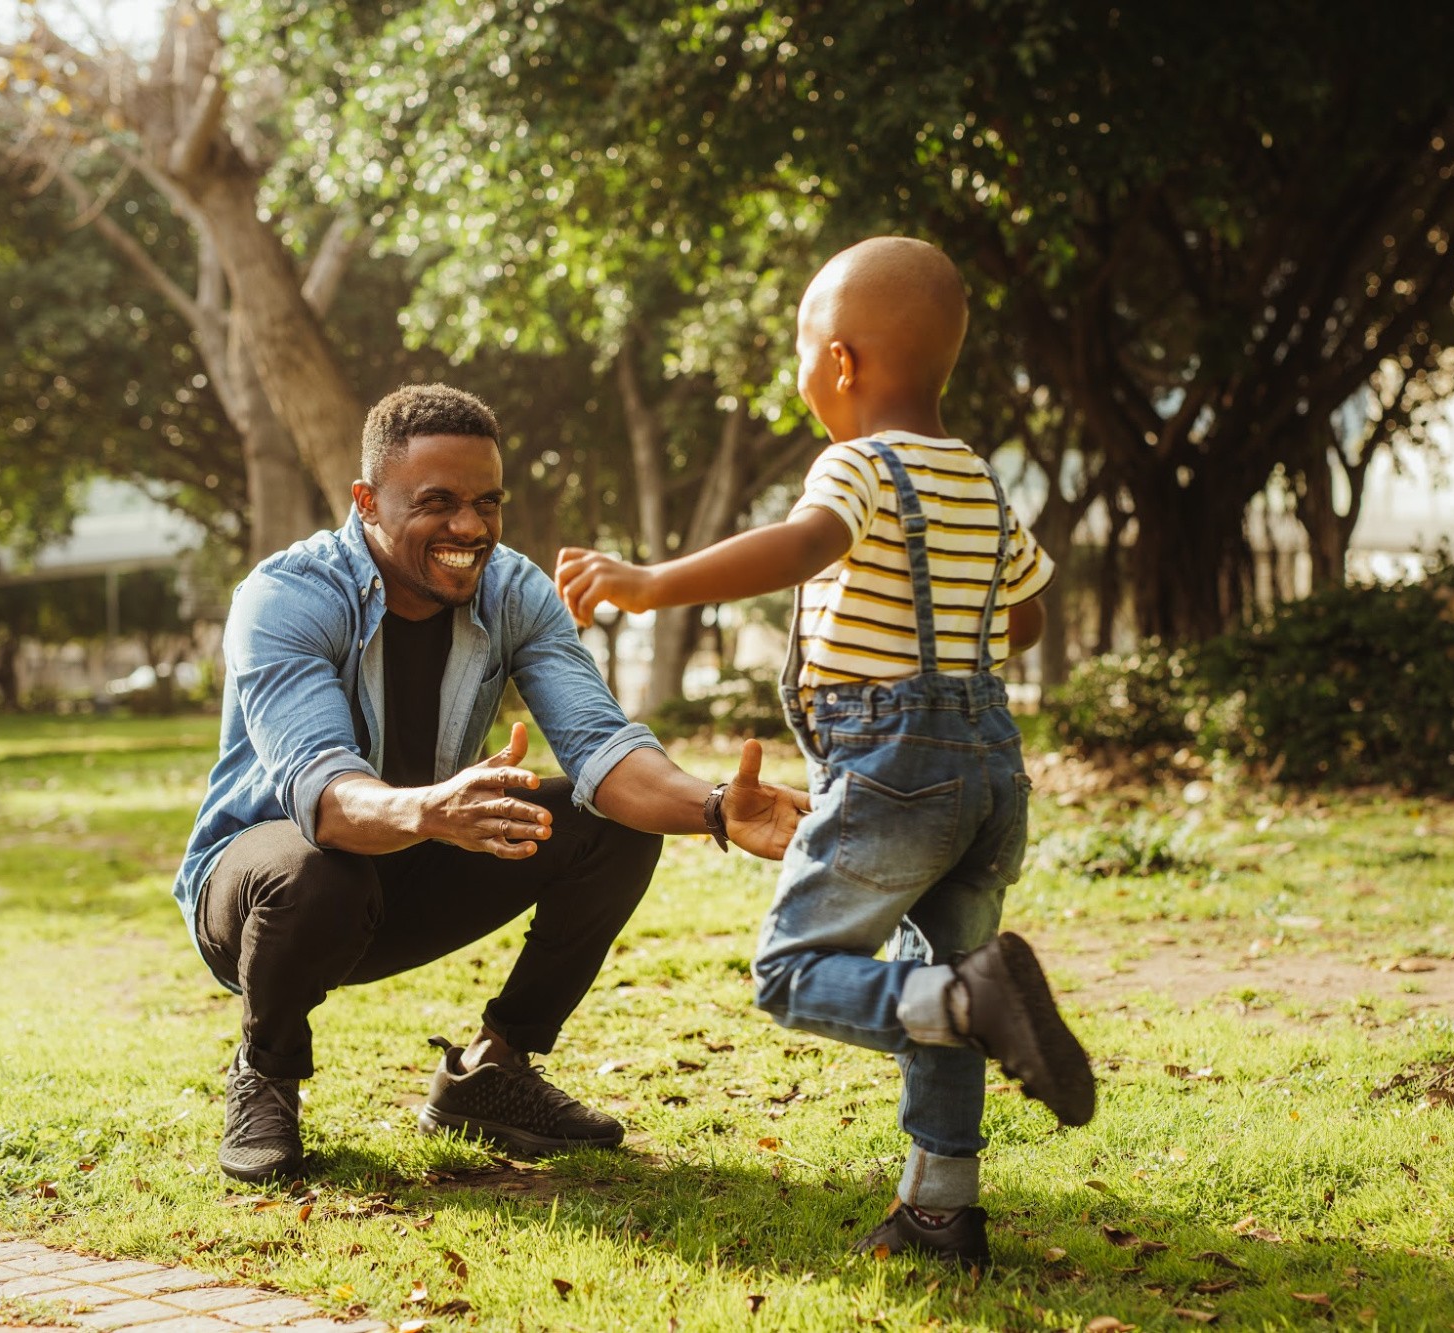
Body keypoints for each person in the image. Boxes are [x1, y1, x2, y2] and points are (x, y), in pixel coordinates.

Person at [554, 236, 1095, 1268]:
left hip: (895, 764)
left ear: (839, 361)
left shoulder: (855, 463)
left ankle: (972, 1006)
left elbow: (804, 544)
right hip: (989, 768)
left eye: (801, 351)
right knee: (943, 964)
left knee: (794, 972)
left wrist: (649, 580)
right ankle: (940, 1210)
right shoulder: (977, 479)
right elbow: (1021, 622)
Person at [174, 383, 808, 1184]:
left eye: (487, 502)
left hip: (412, 864)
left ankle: (493, 1072)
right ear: (367, 501)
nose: (469, 527)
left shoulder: (512, 591)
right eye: (437, 502)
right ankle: (266, 1075)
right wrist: (428, 808)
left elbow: (601, 747)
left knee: (610, 823)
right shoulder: (288, 596)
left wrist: (712, 808)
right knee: (315, 870)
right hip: (268, 894)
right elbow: (324, 795)